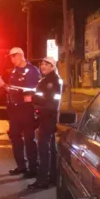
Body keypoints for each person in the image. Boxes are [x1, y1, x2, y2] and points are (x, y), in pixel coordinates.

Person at [0, 47, 40, 178]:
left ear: (21, 55)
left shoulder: (32, 71)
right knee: (15, 138)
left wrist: (4, 85)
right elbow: (11, 90)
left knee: (29, 139)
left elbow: (31, 90)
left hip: (27, 108)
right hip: (14, 109)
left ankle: (33, 168)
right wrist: (2, 85)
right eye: (10, 57)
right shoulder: (14, 71)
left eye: (14, 56)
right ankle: (21, 166)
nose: (12, 59)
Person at [28, 57, 63, 190]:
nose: (43, 66)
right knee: (51, 149)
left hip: (48, 118)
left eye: (47, 64)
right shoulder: (48, 80)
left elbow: (51, 104)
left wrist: (34, 102)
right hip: (48, 118)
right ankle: (52, 178)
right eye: (42, 64)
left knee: (44, 149)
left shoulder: (52, 81)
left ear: (52, 67)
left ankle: (42, 180)